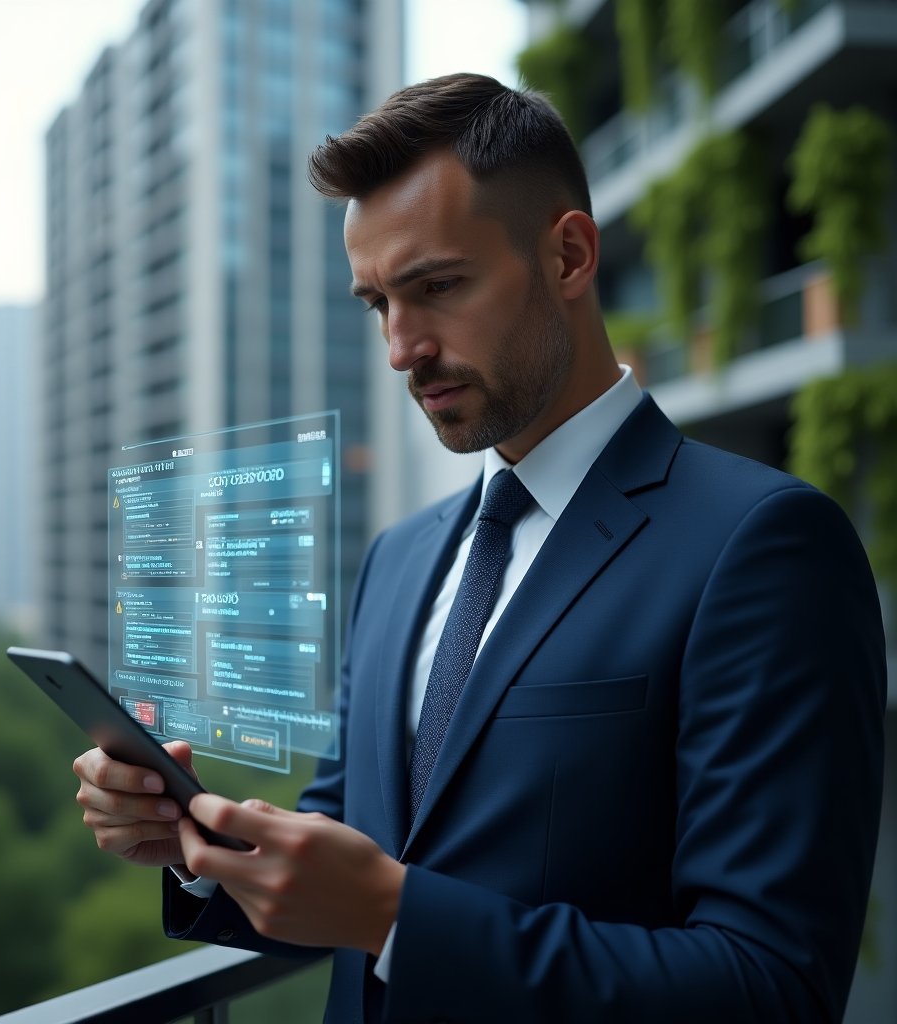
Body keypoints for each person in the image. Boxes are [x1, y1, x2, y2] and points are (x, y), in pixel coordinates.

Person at [73, 73, 886, 1023]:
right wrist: (202, 847)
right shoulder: (400, 560)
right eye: (378, 303)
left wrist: (394, 914)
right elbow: (354, 841)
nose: (401, 347)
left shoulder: (764, 545)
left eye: (437, 287)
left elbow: (770, 987)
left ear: (571, 255)